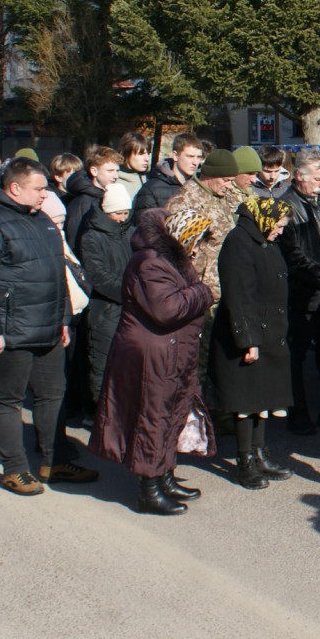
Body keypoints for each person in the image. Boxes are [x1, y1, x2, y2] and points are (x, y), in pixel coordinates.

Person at [0, 156, 98, 495]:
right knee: (8, 400)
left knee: (52, 396)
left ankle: (54, 460)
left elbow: (57, 276)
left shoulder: (41, 220)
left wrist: (63, 319)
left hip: (47, 328)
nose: (45, 195)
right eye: (38, 189)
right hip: (9, 331)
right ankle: (15, 469)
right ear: (15, 188)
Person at [89, 209, 215, 515]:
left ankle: (164, 475)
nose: (197, 249)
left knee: (173, 413)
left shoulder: (168, 260)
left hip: (170, 352)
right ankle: (149, 489)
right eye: (194, 241)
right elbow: (167, 309)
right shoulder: (148, 262)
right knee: (153, 417)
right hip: (153, 354)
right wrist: (202, 291)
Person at [210, 197, 297, 489]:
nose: (281, 232)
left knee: (264, 398)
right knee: (246, 402)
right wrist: (248, 340)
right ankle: (245, 461)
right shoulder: (239, 242)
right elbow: (239, 295)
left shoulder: (263, 239)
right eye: (279, 226)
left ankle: (260, 454)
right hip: (249, 335)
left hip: (268, 331)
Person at [277, 149, 320, 435]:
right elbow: (293, 257)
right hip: (302, 297)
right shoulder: (286, 207)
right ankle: (299, 413)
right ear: (298, 176)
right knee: (296, 358)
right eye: (317, 179)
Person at [78, 184, 134, 405]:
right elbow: (99, 276)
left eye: (125, 213)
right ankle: (101, 414)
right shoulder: (91, 237)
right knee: (104, 365)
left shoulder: (130, 232)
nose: (122, 218)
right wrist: (131, 292)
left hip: (129, 307)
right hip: (106, 311)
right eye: (117, 213)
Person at [166, 148, 240, 299]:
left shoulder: (222, 196)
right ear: (210, 175)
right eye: (225, 180)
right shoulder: (185, 201)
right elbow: (176, 253)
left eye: (231, 181)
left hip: (227, 284)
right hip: (202, 290)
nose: (229, 186)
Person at [64, 146, 122, 253]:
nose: (115, 176)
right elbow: (74, 240)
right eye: (110, 171)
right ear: (94, 171)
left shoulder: (110, 196)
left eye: (117, 171)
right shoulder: (83, 202)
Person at [133, 133, 204, 213]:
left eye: (198, 157)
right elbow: (146, 222)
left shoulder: (202, 187)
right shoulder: (152, 188)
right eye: (190, 156)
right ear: (175, 155)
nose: (195, 162)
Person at [115, 131, 152, 199]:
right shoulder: (115, 183)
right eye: (140, 154)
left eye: (148, 153)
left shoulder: (150, 181)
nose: (147, 159)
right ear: (126, 154)